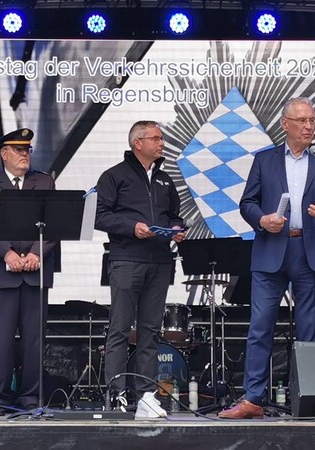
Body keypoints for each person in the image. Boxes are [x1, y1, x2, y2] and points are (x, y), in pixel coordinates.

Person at [219, 98, 315, 419]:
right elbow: (247, 202)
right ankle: (253, 399)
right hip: (272, 250)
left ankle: (309, 400)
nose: (309, 127)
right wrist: (262, 220)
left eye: (313, 121)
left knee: (310, 333)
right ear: (285, 124)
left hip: (312, 251)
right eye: (302, 121)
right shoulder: (265, 160)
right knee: (260, 327)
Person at [95, 120, 185, 420]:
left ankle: (146, 396)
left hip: (160, 261)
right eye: (156, 138)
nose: (162, 143)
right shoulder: (113, 177)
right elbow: (99, 215)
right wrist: (131, 227)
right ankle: (117, 393)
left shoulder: (165, 180)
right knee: (120, 328)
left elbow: (175, 214)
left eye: (162, 138)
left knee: (150, 331)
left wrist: (176, 228)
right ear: (138, 143)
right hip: (126, 259)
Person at [0, 128, 56, 414]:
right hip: (3, 272)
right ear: (3, 153)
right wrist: (6, 252)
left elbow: (55, 223)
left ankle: (31, 398)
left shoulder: (43, 182)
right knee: (2, 341)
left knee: (34, 339)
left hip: (35, 271)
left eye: (27, 149)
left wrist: (36, 253)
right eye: (18, 150)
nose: (24, 154)